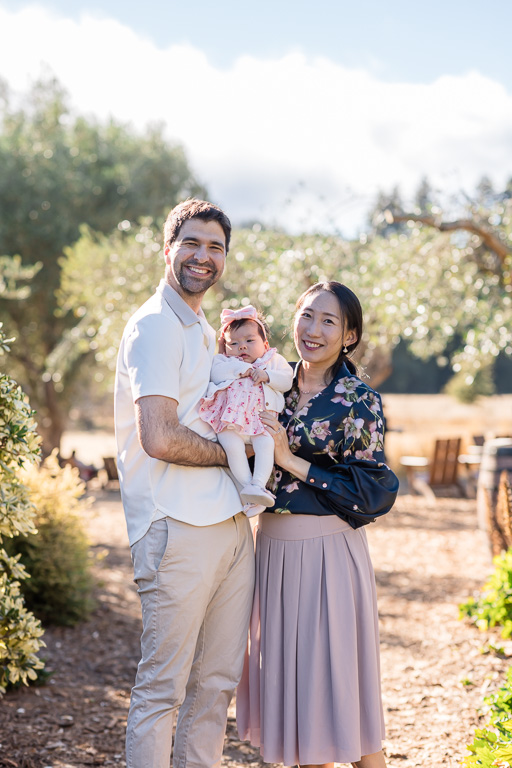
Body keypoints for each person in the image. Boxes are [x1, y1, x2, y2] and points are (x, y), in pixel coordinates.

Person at [114, 199, 255, 768]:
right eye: (192, 244)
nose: (204, 257)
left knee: (216, 685)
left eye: (215, 247)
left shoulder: (199, 326)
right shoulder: (154, 325)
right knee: (162, 690)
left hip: (227, 525)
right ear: (168, 248)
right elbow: (161, 437)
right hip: (174, 526)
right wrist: (235, 453)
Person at [236, 281, 399, 768]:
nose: (313, 329)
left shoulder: (358, 400)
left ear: (349, 336)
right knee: (304, 700)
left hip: (328, 554)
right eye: (307, 315)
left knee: (340, 695)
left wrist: (292, 460)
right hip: (272, 552)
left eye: (329, 321)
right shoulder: (269, 383)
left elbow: (372, 491)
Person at [199, 305, 293, 512]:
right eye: (234, 343)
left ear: (265, 344)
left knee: (266, 445)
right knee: (233, 449)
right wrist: (242, 368)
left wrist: (267, 376)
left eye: (250, 341)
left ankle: (258, 485)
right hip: (229, 420)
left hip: (260, 420)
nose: (242, 347)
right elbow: (215, 374)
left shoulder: (273, 361)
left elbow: (287, 380)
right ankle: (249, 490)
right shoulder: (223, 361)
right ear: (224, 346)